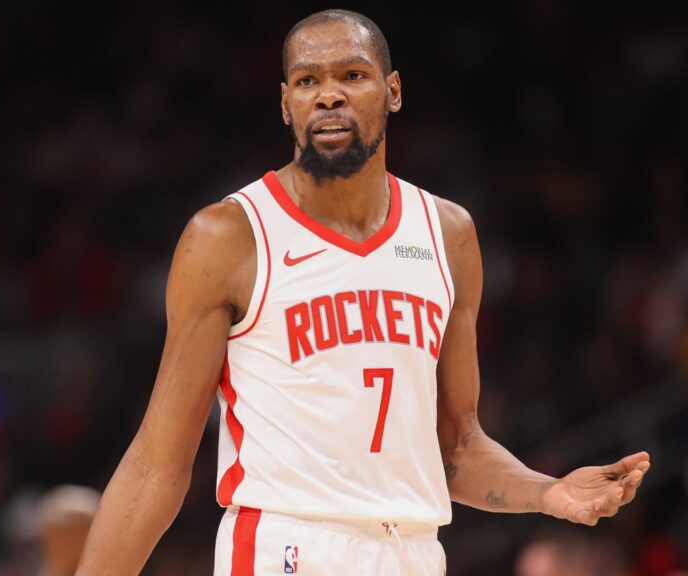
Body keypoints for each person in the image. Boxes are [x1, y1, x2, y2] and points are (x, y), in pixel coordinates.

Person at [77, 9, 652, 575]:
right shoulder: (229, 237)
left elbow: (458, 449)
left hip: (416, 552)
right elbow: (158, 463)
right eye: (308, 81)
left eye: (351, 75)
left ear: (393, 90)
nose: (329, 96)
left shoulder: (448, 235)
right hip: (289, 548)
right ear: (285, 104)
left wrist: (549, 492)